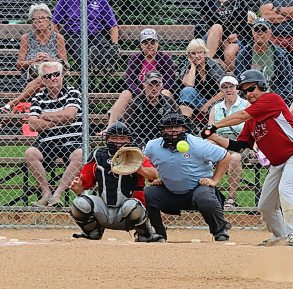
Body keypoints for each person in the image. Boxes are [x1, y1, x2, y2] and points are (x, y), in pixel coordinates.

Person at [202, 69, 293, 247]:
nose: (249, 93)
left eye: (252, 88)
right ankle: (281, 237)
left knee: (287, 189)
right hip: (278, 164)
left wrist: (214, 126)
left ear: (262, 86)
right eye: (245, 91)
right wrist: (212, 137)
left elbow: (240, 115)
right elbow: (239, 146)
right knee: (266, 206)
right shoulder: (252, 120)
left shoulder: (271, 99)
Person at [69, 121, 164, 242]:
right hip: (104, 209)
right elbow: (84, 184)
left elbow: (154, 175)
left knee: (133, 206)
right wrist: (78, 188)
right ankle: (92, 232)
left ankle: (145, 234)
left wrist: (140, 169)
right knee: (79, 203)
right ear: (107, 139)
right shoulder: (98, 155)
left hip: (127, 212)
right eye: (114, 138)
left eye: (122, 138)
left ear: (129, 140)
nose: (118, 142)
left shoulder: (136, 155)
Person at [144, 113, 232, 241]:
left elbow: (225, 156)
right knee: (147, 194)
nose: (173, 130)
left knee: (205, 197)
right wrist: (155, 178)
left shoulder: (197, 144)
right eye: (168, 127)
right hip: (169, 191)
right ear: (162, 130)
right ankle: (158, 233)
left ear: (184, 129)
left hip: (196, 189)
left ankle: (220, 231)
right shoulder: (153, 146)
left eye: (177, 127)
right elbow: (146, 163)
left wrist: (214, 180)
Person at [25, 61, 83, 207]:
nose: (53, 78)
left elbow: (70, 115)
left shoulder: (72, 92)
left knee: (80, 154)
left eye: (56, 74)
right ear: (43, 80)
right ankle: (46, 193)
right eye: (48, 76)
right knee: (30, 153)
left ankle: (57, 194)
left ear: (62, 75)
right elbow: (33, 124)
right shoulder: (38, 97)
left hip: (71, 140)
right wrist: (60, 119)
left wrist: (44, 116)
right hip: (46, 142)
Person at [3, 3, 68, 112]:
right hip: (31, 75)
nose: (39, 21)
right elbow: (19, 64)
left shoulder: (58, 37)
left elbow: (65, 63)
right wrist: (35, 60)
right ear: (32, 23)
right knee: (43, 80)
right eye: (35, 19)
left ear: (49, 20)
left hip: (52, 75)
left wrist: (50, 59)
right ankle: (13, 106)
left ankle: (13, 104)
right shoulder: (26, 38)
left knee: (46, 76)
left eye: (42, 18)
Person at [108, 28, 176, 118]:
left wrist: (155, 92)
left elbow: (169, 82)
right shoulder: (135, 59)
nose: (149, 45)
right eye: (145, 43)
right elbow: (129, 81)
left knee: (166, 92)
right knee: (125, 93)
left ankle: (168, 125)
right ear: (141, 45)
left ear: (157, 44)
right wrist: (143, 93)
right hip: (139, 93)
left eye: (152, 42)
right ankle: (110, 129)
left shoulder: (166, 59)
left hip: (159, 92)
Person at [103, 70, 180, 148]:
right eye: (150, 85)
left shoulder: (169, 102)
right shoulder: (135, 104)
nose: (154, 88)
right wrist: (141, 145)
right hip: (140, 143)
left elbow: (180, 121)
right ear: (144, 85)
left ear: (162, 86)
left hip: (165, 142)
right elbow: (129, 129)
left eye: (157, 85)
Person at [208, 75, 250, 207]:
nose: (228, 90)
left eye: (231, 86)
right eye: (224, 87)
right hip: (221, 141)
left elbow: (252, 128)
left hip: (239, 142)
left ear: (237, 89)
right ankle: (207, 193)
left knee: (235, 158)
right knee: (208, 146)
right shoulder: (216, 108)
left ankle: (231, 198)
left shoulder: (246, 105)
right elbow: (210, 130)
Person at [234, 18, 293, 101]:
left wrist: (275, 98)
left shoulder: (280, 54)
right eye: (257, 29)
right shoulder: (243, 54)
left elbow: (287, 81)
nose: (260, 33)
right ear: (252, 32)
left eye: (264, 29)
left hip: (273, 98)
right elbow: (238, 80)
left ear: (270, 32)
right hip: (249, 99)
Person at [52, 0, 119, 70]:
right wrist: (58, 41)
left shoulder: (101, 1)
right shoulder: (65, 1)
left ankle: (102, 62)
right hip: (74, 36)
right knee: (80, 51)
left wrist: (115, 44)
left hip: (96, 35)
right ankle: (99, 63)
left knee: (104, 47)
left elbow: (113, 26)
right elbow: (54, 22)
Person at [178, 39, 225, 129]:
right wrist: (192, 65)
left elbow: (224, 90)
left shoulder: (214, 66)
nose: (197, 56)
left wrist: (207, 104)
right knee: (187, 91)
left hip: (214, 101)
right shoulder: (186, 67)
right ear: (189, 55)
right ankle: (186, 124)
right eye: (193, 53)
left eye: (200, 52)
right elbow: (189, 84)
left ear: (204, 53)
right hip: (195, 101)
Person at [202, 0, 252, 72]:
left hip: (233, 38)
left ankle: (226, 73)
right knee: (217, 27)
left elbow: (243, 23)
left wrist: (236, 34)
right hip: (213, 37)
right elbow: (210, 22)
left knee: (230, 52)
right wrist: (225, 38)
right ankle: (207, 62)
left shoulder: (239, 2)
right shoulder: (207, 2)